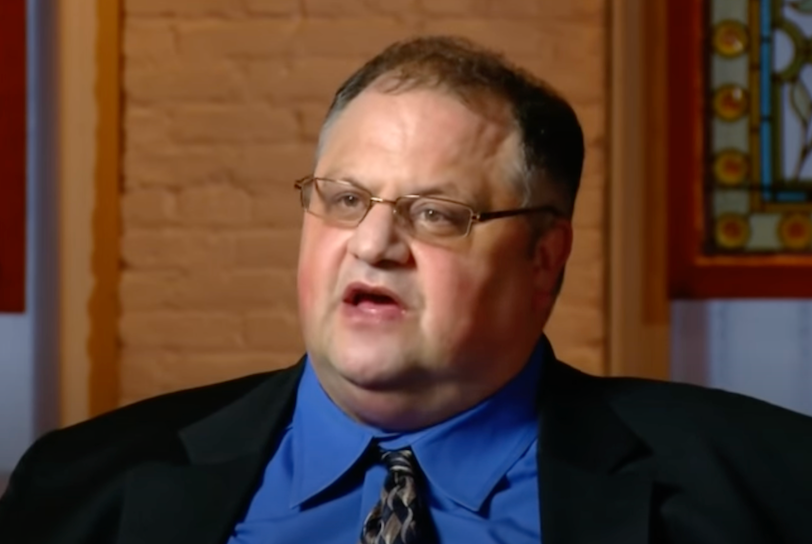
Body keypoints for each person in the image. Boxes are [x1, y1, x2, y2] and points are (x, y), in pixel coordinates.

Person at [1, 35, 811, 544]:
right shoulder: (79, 485)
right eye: (345, 200)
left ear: (543, 258)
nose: (375, 244)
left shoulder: (769, 483)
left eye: (435, 213)